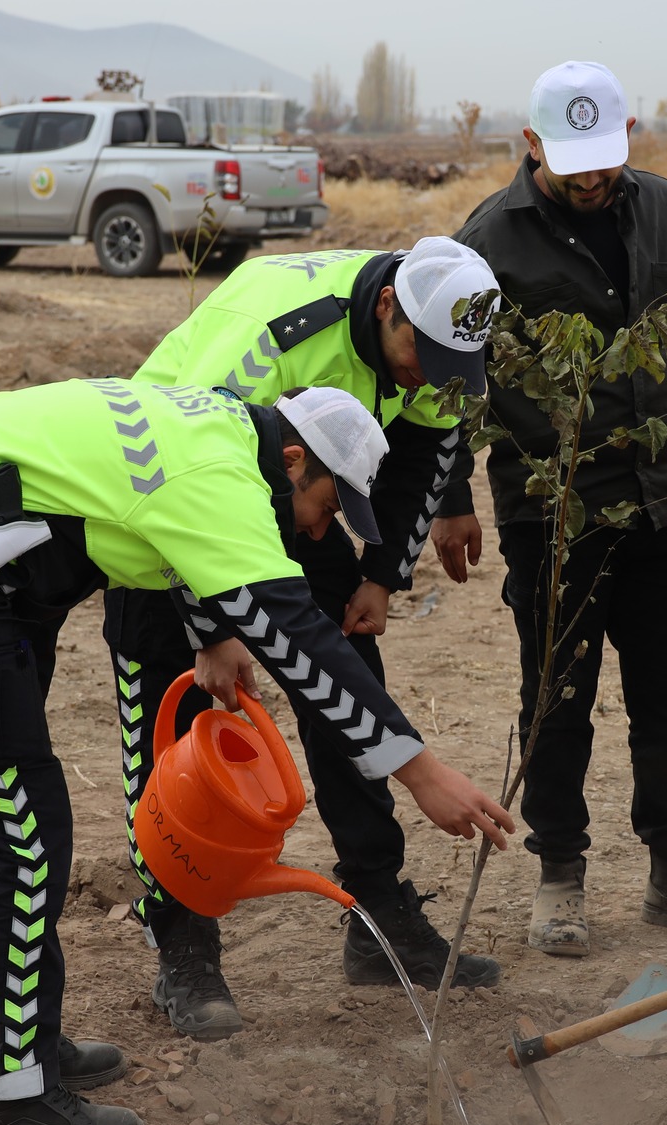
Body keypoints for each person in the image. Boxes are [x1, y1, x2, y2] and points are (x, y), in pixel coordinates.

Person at [0, 380, 511, 1125]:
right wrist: (422, 772)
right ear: (292, 461)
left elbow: (154, 519)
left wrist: (211, 632)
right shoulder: (226, 480)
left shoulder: (212, 426)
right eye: (326, 506)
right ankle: (6, 1094)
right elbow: (301, 639)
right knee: (23, 830)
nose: (321, 530)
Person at [118, 236, 503, 1040]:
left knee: (345, 674)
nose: (428, 376)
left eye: (448, 366)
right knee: (176, 703)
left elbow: (430, 445)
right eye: (419, 356)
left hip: (298, 486)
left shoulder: (441, 337)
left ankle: (377, 910)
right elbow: (179, 472)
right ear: (388, 305)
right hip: (163, 503)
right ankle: (183, 941)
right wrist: (212, 627)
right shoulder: (269, 338)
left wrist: (381, 574)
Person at [449, 60, 667, 958]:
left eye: (606, 157)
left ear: (629, 137)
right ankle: (560, 876)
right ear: (531, 144)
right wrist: (452, 498)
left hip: (666, 498)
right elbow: (455, 385)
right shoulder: (485, 241)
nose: (593, 177)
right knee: (558, 701)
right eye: (572, 161)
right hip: (554, 511)